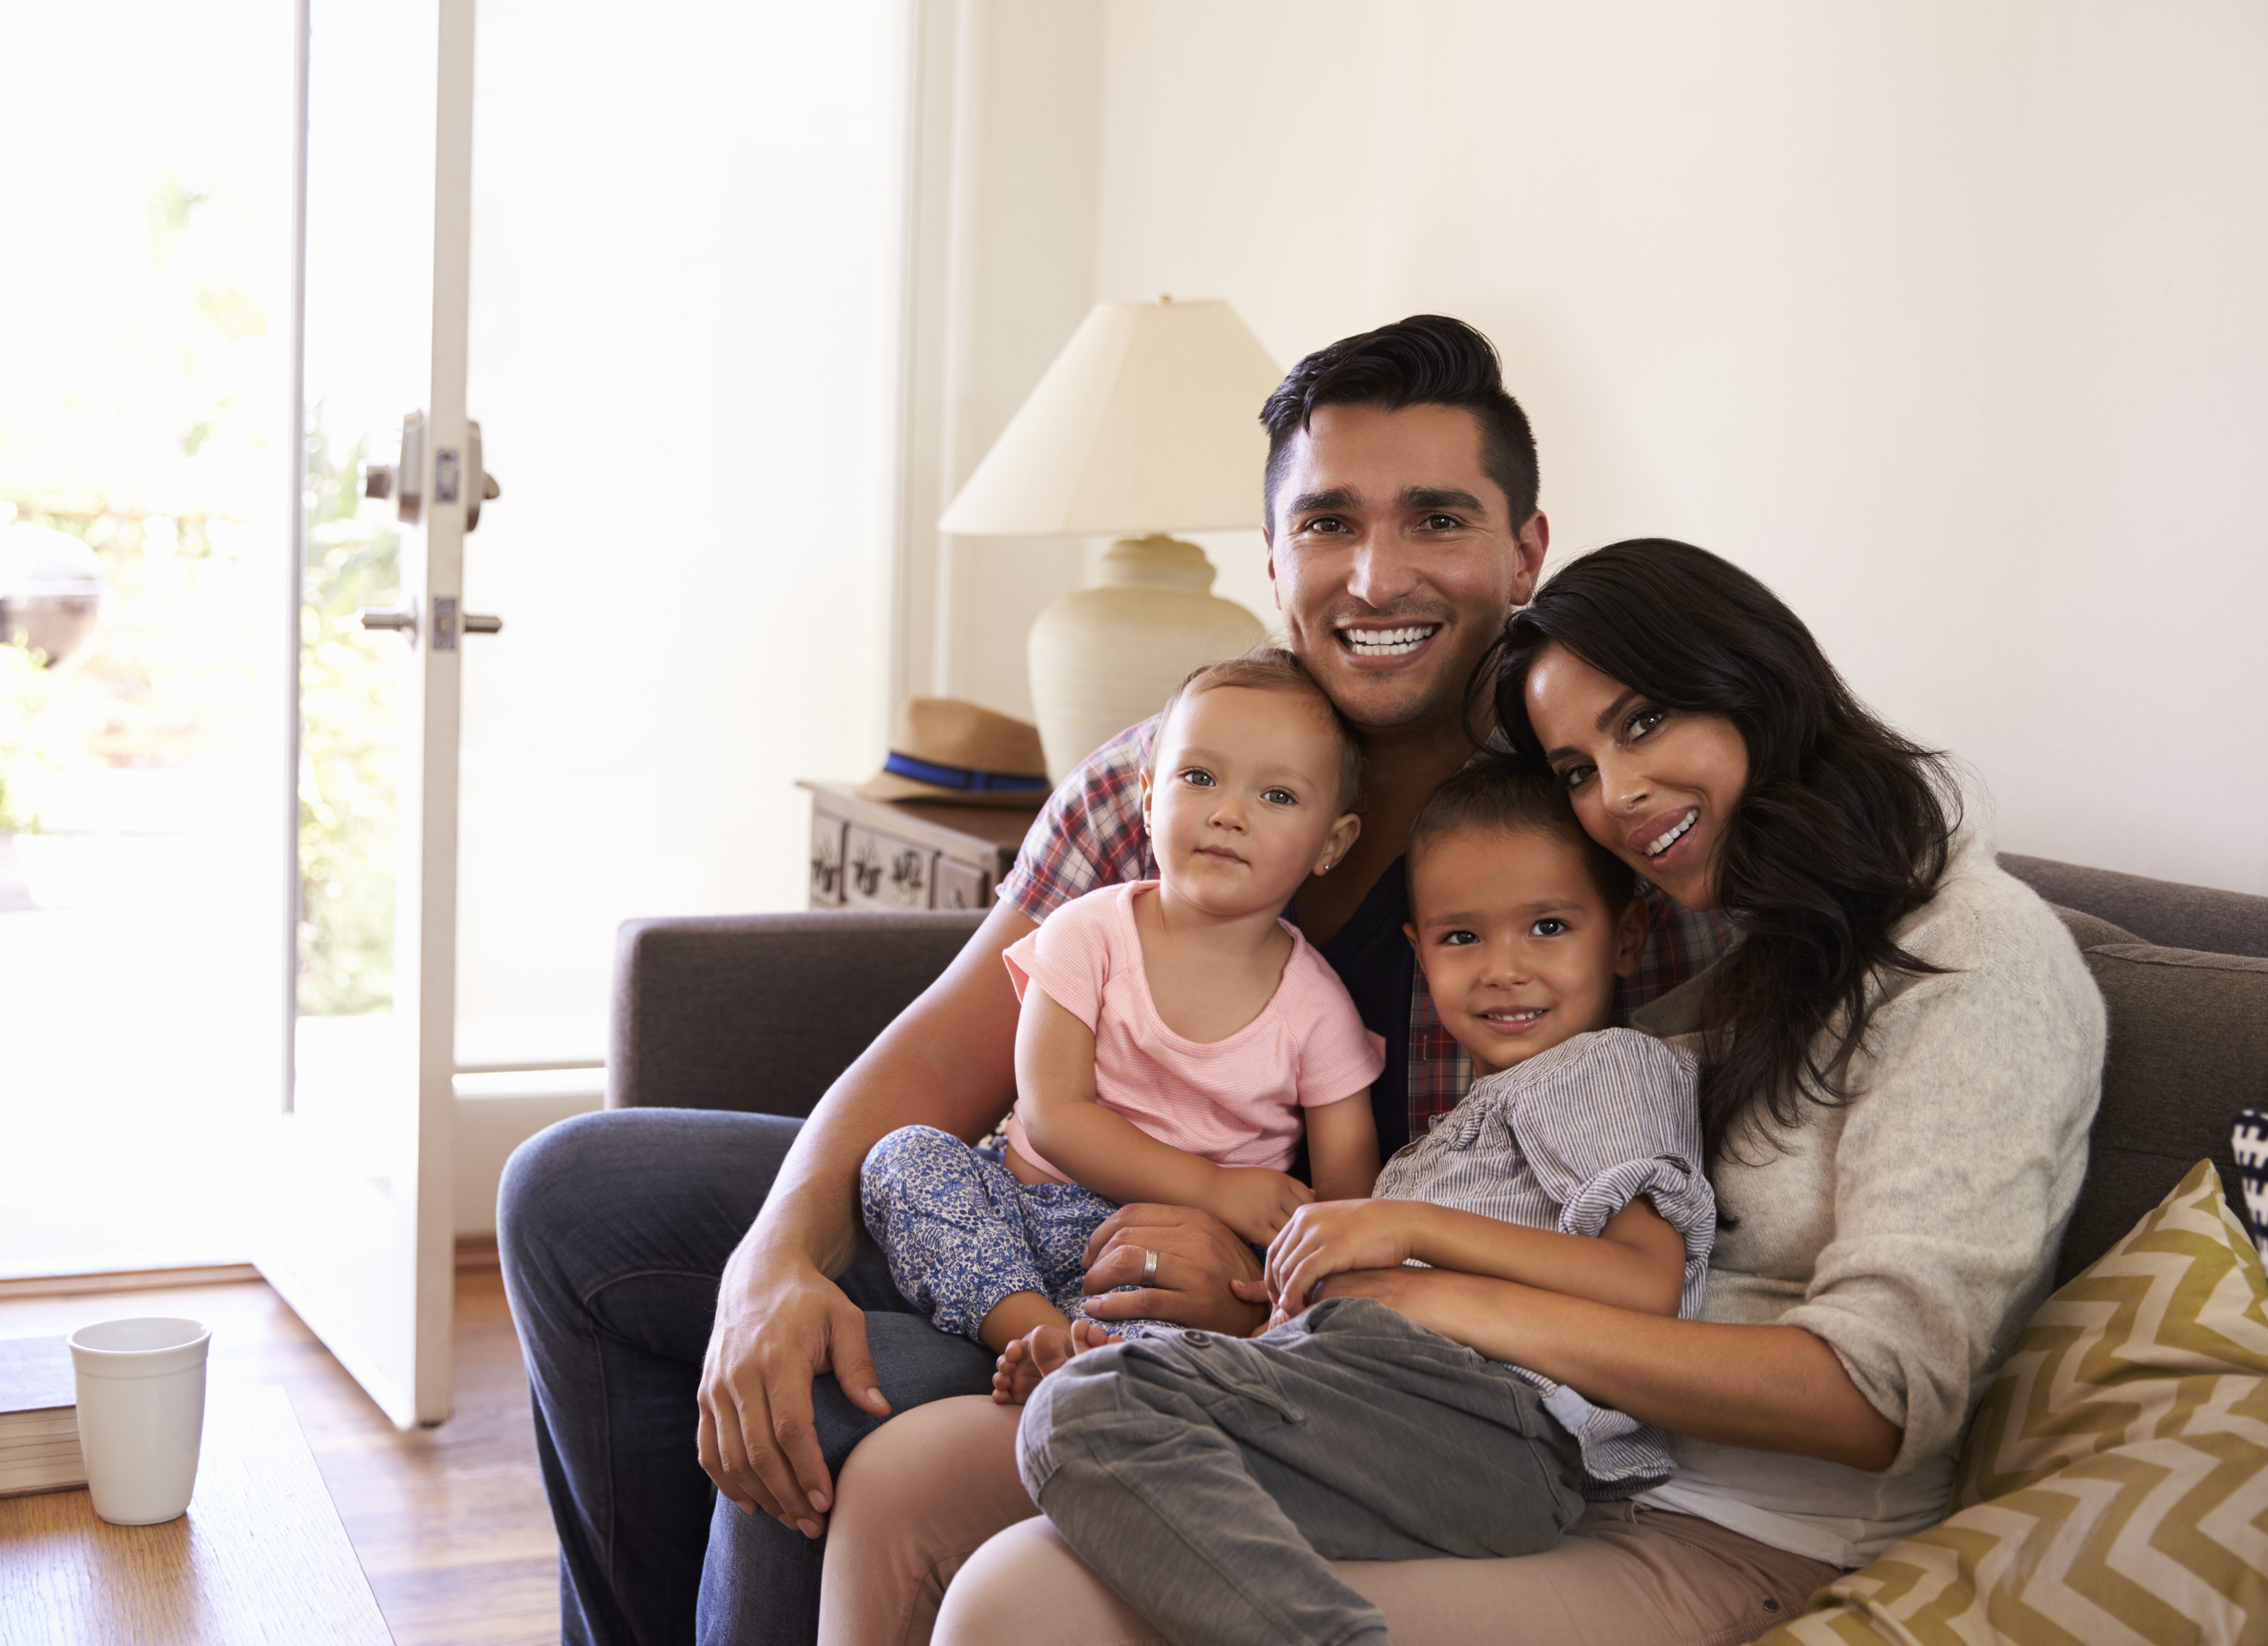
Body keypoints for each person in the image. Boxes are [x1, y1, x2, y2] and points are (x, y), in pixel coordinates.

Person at [496, 317, 1732, 1645]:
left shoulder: (1587, 835)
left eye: (1435, 518)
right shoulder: (1155, 774)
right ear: (1271, 559)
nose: (1375, 576)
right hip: (1013, 1213)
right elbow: (943, 1055)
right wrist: (770, 1260)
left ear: (1521, 552)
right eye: (1326, 525)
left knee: (824, 1400)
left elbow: (1585, 1236)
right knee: (574, 1195)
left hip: (1255, 1338)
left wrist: (1263, 1286)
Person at [812, 537, 2107, 1646]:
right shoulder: (1731, 964)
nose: (1618, 796)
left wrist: (1437, 1291)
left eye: (1642, 723)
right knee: (906, 1478)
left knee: (1023, 1595)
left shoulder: (1971, 961)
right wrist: (1264, 1287)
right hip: (1484, 1425)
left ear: (1760, 687)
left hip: (1728, 1526)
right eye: (1576, 768)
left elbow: (1872, 1397)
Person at [1014, 758, 1717, 1646]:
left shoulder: (1609, 1064)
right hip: (1376, 1396)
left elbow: (1645, 1286)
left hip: (1490, 1427)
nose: (1504, 970)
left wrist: (1407, 1223)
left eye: (1547, 926)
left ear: (1623, 938)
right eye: (1462, 938)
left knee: (1082, 1414)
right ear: (1419, 951)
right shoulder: (1455, 1131)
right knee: (1085, 1407)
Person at [859, 649, 1384, 1405]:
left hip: (1164, 1262)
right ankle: (1035, 1333)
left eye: (1276, 795)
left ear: (1331, 843)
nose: (1227, 812)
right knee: (902, 1159)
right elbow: (1054, 1113)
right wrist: (1217, 1187)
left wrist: (1262, 1255)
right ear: (1145, 797)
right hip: (1021, 1203)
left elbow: (1344, 1200)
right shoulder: (1088, 932)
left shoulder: (1318, 1010)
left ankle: (1086, 1357)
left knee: (1192, 1342)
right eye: (1198, 778)